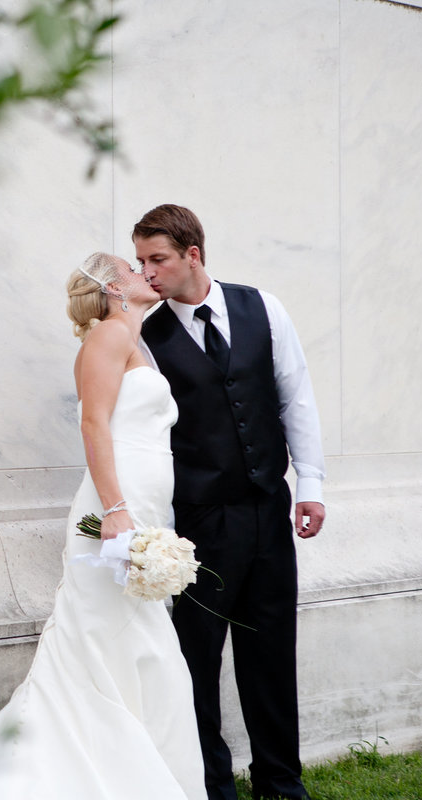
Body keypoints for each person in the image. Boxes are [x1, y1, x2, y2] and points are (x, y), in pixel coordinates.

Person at [0, 253, 206, 799]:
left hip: (145, 511)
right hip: (116, 513)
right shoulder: (109, 336)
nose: (146, 273)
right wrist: (115, 510)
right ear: (113, 288)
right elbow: (93, 422)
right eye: (134, 269)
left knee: (138, 648)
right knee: (107, 644)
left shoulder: (136, 339)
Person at [133, 205, 326, 800]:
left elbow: (296, 396)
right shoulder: (147, 334)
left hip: (269, 508)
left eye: (157, 259)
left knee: (271, 653)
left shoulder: (263, 307)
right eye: (140, 262)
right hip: (197, 523)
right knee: (196, 663)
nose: (148, 274)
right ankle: (212, 786)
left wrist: (311, 484)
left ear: (193, 254)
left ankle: (280, 785)